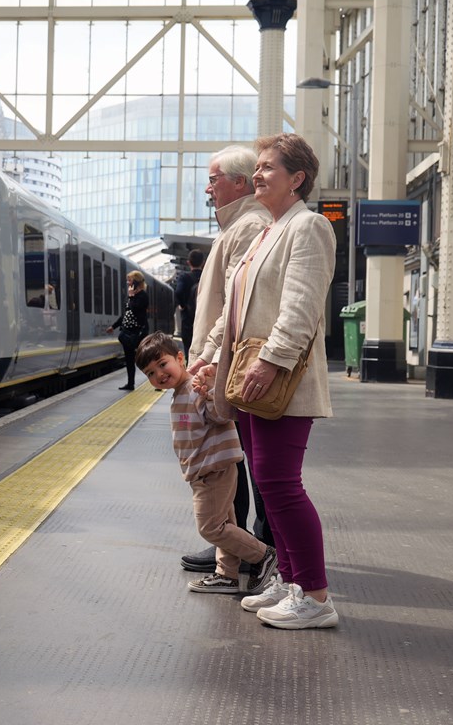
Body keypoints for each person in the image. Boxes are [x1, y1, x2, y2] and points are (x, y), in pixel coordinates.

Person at [203, 132, 339, 630]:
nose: (258, 175)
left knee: (281, 486)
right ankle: (291, 579)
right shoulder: (268, 231)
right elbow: (236, 308)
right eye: (256, 168)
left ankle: (317, 597)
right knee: (268, 481)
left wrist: (271, 361)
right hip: (251, 378)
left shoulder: (309, 227)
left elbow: (301, 307)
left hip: (278, 381)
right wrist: (210, 356)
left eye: (267, 168)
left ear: (297, 178)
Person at [181, 145, 275, 574]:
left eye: (214, 178)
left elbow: (240, 303)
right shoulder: (237, 225)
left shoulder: (247, 225)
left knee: (235, 459)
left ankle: (247, 547)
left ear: (239, 182)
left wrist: (212, 358)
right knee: (235, 458)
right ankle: (236, 543)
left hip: (231, 364)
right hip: (225, 361)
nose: (208, 186)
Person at [136, 332, 277, 595]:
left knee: (210, 527)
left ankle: (264, 555)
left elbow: (220, 415)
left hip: (214, 469)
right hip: (204, 470)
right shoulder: (179, 393)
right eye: (150, 373)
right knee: (226, 524)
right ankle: (227, 575)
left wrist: (211, 392)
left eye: (162, 364)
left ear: (180, 358)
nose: (159, 375)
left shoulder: (195, 387)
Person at [106, 270, 149, 390]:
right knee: (129, 359)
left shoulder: (142, 296)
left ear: (136, 281)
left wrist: (131, 297)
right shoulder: (131, 296)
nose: (127, 283)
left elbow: (135, 310)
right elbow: (126, 314)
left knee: (144, 358)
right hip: (128, 331)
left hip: (138, 332)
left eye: (129, 280)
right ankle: (130, 383)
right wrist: (113, 326)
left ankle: (157, 380)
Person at [174, 249, 204, 356]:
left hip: (188, 320)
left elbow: (178, 292)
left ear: (188, 262)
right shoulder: (207, 277)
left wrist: (182, 305)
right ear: (203, 262)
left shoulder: (184, 277)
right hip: (205, 318)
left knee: (189, 350)